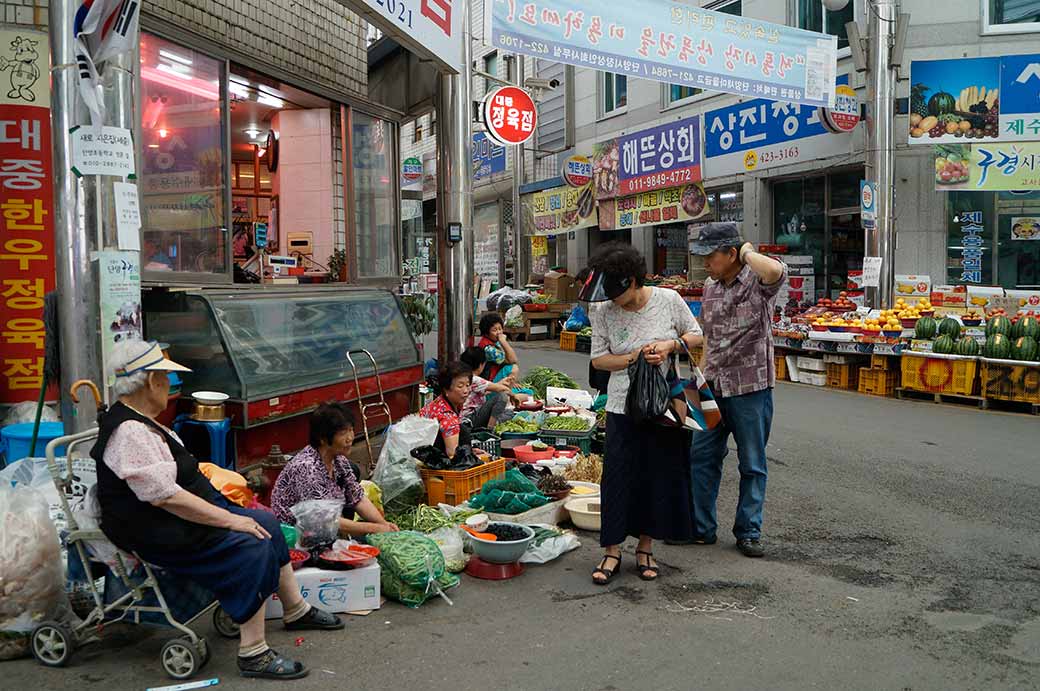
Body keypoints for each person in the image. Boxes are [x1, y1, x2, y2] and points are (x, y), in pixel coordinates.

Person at [92, 340, 342, 681]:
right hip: (156, 528)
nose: (171, 387)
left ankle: (295, 609)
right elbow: (166, 497)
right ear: (152, 381)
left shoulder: (144, 422)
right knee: (250, 544)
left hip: (174, 517)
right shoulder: (130, 431)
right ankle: (253, 652)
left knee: (265, 521)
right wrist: (230, 519)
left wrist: (229, 506)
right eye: (166, 378)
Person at [583, 242, 704, 584]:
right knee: (618, 477)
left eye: (621, 291)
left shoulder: (668, 300)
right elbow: (598, 360)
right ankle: (611, 550)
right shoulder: (603, 311)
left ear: (636, 281)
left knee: (655, 476)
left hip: (663, 406)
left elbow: (696, 335)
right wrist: (633, 357)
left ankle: (645, 548)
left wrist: (669, 345)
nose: (615, 300)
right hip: (622, 406)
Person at [687, 222, 786, 558]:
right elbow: (711, 336)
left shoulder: (759, 283)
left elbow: (774, 269)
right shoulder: (710, 287)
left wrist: (745, 251)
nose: (704, 263)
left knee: (752, 463)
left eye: (710, 255)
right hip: (712, 385)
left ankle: (748, 531)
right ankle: (701, 529)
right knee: (701, 457)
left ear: (732, 253)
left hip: (750, 388)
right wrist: (700, 376)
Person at [271, 403, 399, 537]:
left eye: (351, 430)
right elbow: (326, 521)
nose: (350, 438)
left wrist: (384, 524)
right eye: (343, 433)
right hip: (294, 534)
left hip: (322, 526)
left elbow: (357, 497)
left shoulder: (338, 459)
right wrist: (374, 528)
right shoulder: (307, 469)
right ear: (323, 439)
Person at [419, 361, 473, 458]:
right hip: (431, 460)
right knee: (464, 432)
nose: (466, 391)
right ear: (446, 390)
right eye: (460, 386)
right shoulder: (447, 416)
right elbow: (452, 455)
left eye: (467, 385)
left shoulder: (439, 402)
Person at [459, 346, 520, 429]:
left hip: (467, 417)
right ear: (481, 365)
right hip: (470, 419)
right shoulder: (475, 379)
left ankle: (492, 424)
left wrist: (501, 383)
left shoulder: (464, 377)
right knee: (502, 397)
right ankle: (490, 428)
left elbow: (486, 390)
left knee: (508, 413)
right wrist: (514, 396)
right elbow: (503, 389)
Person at [476, 312, 520, 382]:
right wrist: (503, 341)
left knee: (528, 391)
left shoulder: (494, 341)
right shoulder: (488, 349)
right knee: (513, 368)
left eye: (500, 329)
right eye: (494, 330)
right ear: (486, 333)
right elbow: (513, 360)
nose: (499, 332)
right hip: (490, 382)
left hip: (497, 375)